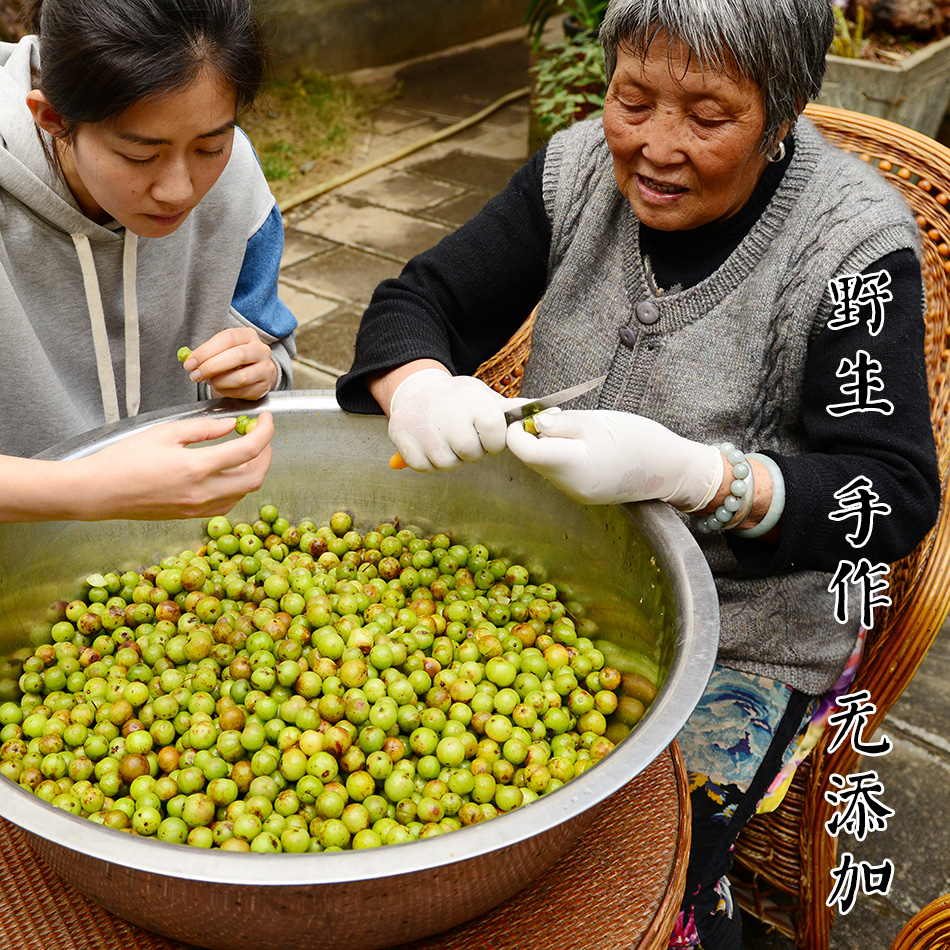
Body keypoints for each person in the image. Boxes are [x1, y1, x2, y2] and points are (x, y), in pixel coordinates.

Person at [336, 0, 941, 946]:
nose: (655, 147)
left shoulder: (852, 245)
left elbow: (890, 497)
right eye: (631, 99)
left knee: (619, 868)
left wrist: (703, 477)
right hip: (542, 581)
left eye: (707, 118)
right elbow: (423, 298)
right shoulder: (577, 170)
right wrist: (414, 382)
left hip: (745, 631)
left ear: (782, 114)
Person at [0, 0, 297, 522]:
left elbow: (270, 349)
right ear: (52, 118)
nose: (180, 190)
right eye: (141, 155)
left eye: (211, 146)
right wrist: (82, 489)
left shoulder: (236, 183)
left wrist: (260, 370)